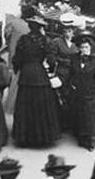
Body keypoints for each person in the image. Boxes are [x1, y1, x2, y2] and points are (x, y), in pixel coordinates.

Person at [11, 11, 62, 148]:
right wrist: (50, 70)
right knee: (41, 106)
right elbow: (52, 60)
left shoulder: (23, 40)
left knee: (25, 105)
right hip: (40, 74)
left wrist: (19, 69)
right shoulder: (45, 41)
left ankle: (25, 137)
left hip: (26, 74)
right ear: (40, 27)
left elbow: (17, 59)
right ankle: (42, 137)